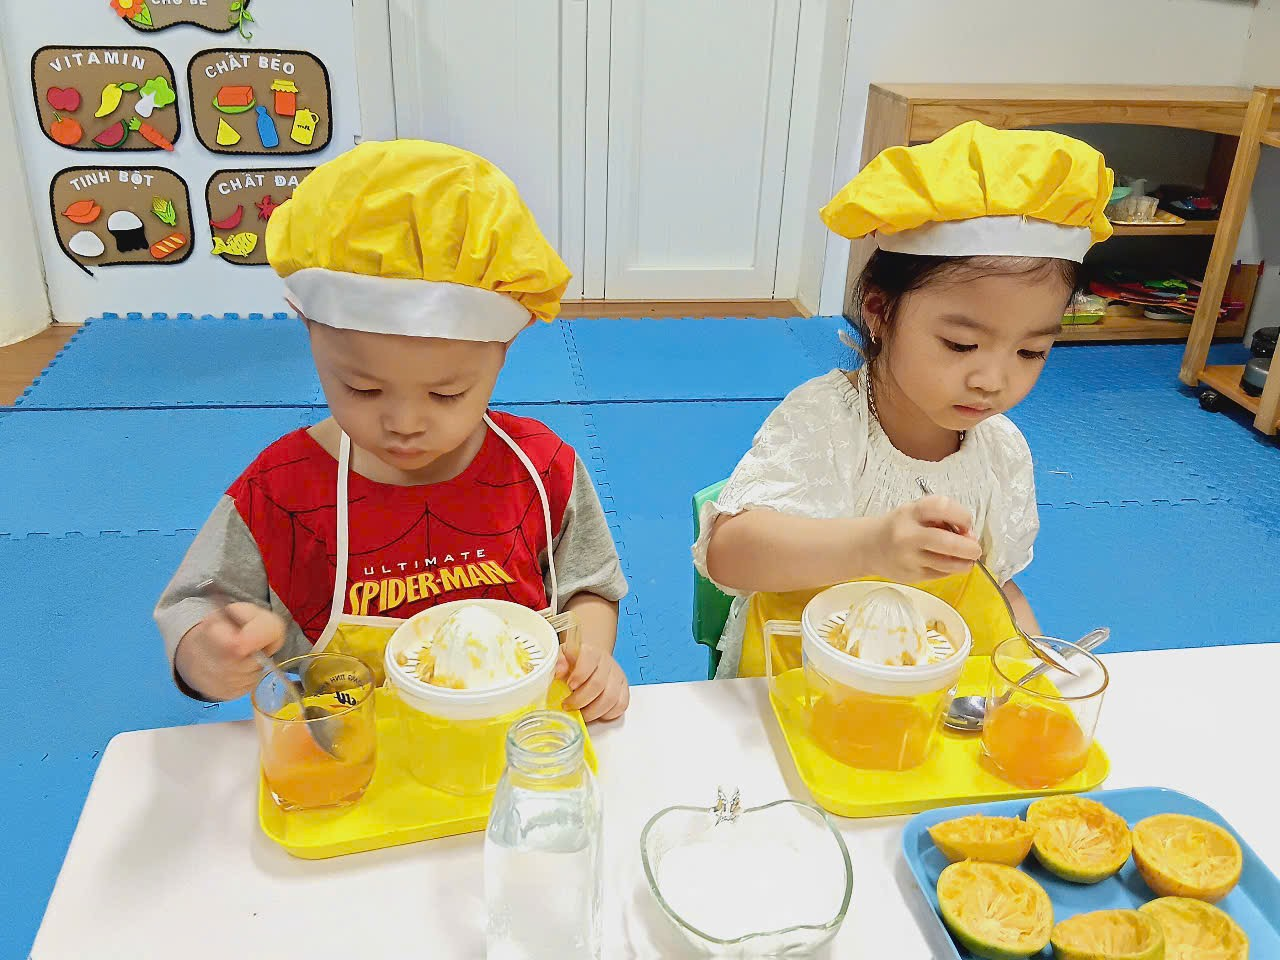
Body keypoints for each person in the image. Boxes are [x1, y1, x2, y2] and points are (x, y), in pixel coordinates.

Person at [155, 140, 630, 721]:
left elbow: (589, 584)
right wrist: (210, 656)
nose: (405, 424)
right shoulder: (279, 491)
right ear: (309, 330)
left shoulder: (541, 467)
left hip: (517, 747)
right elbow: (195, 607)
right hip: (352, 757)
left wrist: (592, 658)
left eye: (446, 394)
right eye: (363, 389)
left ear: (506, 347)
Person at [695, 121, 1113, 678]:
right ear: (879, 310)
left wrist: (1032, 671)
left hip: (932, 679)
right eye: (961, 344)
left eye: (1030, 351)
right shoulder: (827, 422)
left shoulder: (1001, 450)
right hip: (801, 678)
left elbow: (999, 586)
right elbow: (729, 554)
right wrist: (873, 545)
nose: (993, 379)